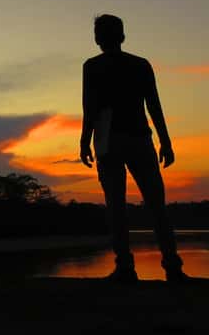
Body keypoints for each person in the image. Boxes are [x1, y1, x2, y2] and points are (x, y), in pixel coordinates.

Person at [79, 14, 187, 283]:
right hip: (138, 138)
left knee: (117, 207)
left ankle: (126, 267)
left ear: (98, 39)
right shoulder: (140, 65)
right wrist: (165, 141)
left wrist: (84, 141)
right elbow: (154, 106)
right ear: (122, 36)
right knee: (156, 205)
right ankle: (171, 266)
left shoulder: (93, 67)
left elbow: (89, 108)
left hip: (110, 140)